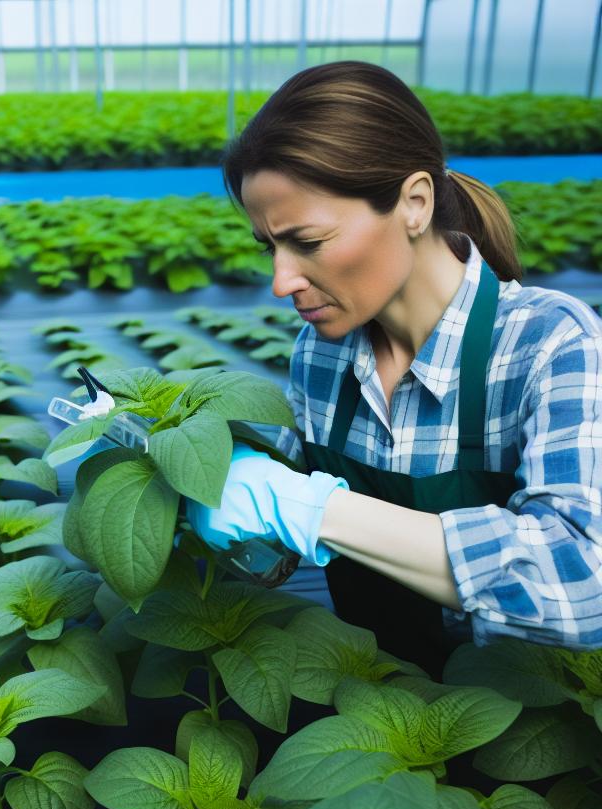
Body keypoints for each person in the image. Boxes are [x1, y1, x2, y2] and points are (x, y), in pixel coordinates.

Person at [185, 61, 602, 679]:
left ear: (414, 204)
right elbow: (279, 553)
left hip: (515, 725)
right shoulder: (321, 354)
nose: (281, 280)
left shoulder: (549, 343)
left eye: (309, 241)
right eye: (269, 246)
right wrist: (188, 479)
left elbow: (583, 583)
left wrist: (313, 509)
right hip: (369, 709)